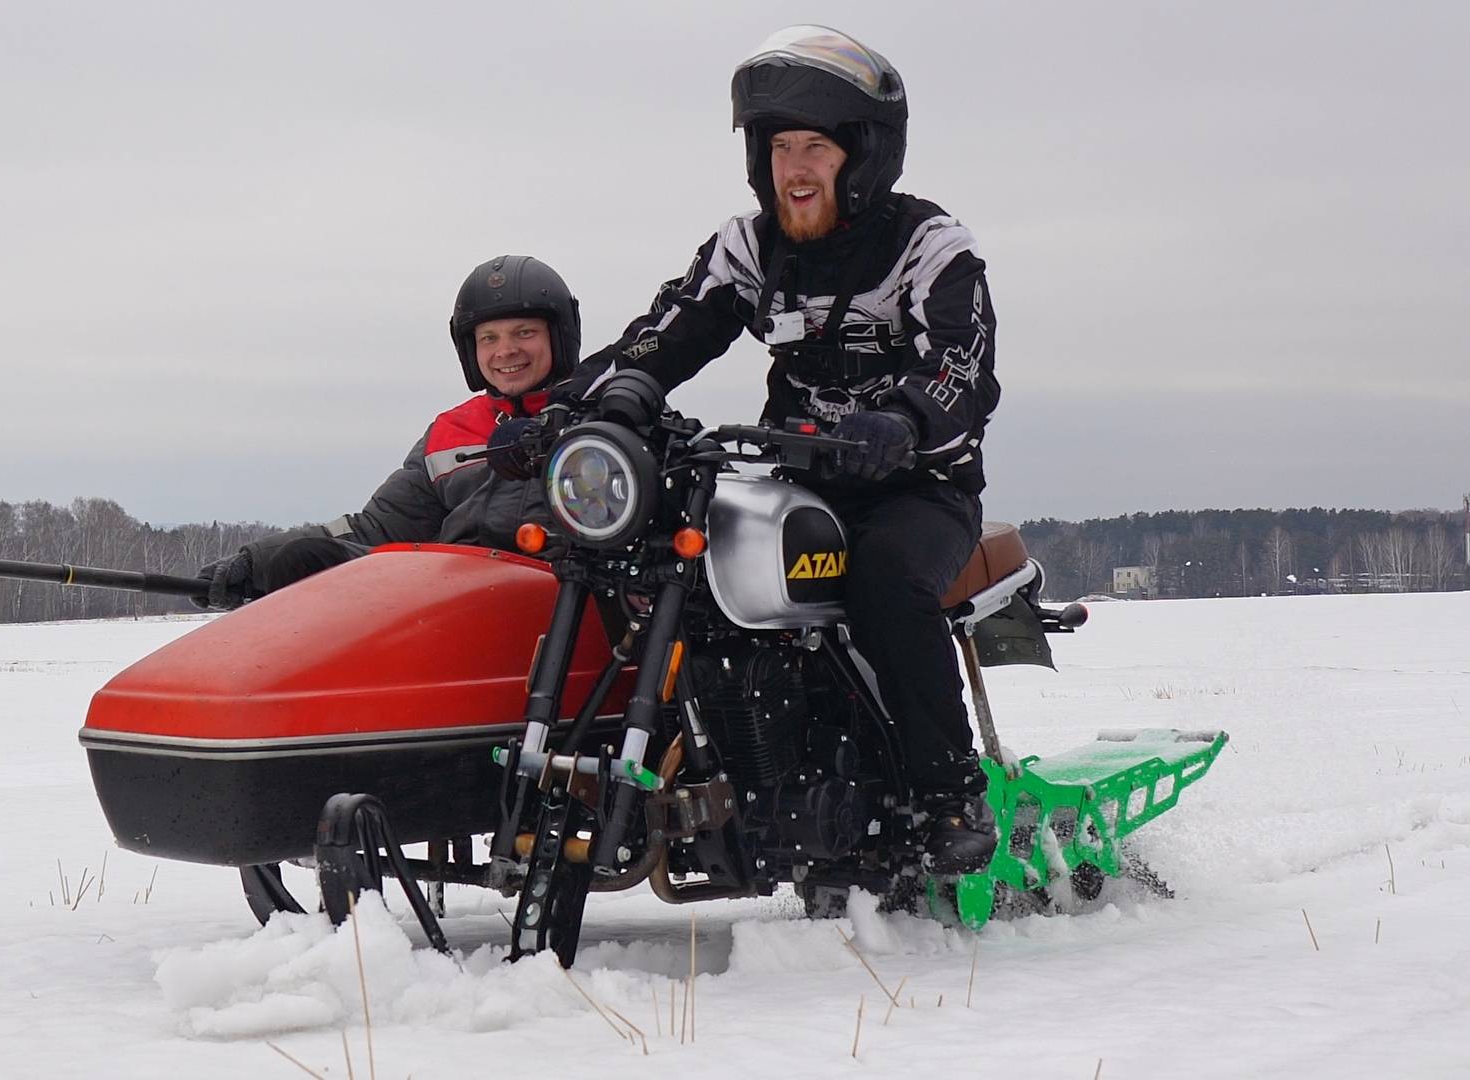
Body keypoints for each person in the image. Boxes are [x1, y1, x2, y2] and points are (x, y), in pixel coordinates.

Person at [559, 25, 1001, 871]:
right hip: (800, 482)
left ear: (863, 156)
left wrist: (903, 421)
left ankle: (950, 795)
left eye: (816, 148)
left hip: (917, 487)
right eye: (779, 148)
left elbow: (962, 367)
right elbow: (665, 333)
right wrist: (581, 404)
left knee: (886, 578)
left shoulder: (929, 246)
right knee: (679, 575)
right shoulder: (751, 245)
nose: (794, 169)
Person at [193, 255, 579, 609]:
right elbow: (376, 527)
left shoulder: (595, 420)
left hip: (562, 604)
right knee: (304, 560)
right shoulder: (449, 433)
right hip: (457, 604)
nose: (505, 350)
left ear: (559, 335)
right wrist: (255, 563)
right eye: (488, 338)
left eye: (524, 332)